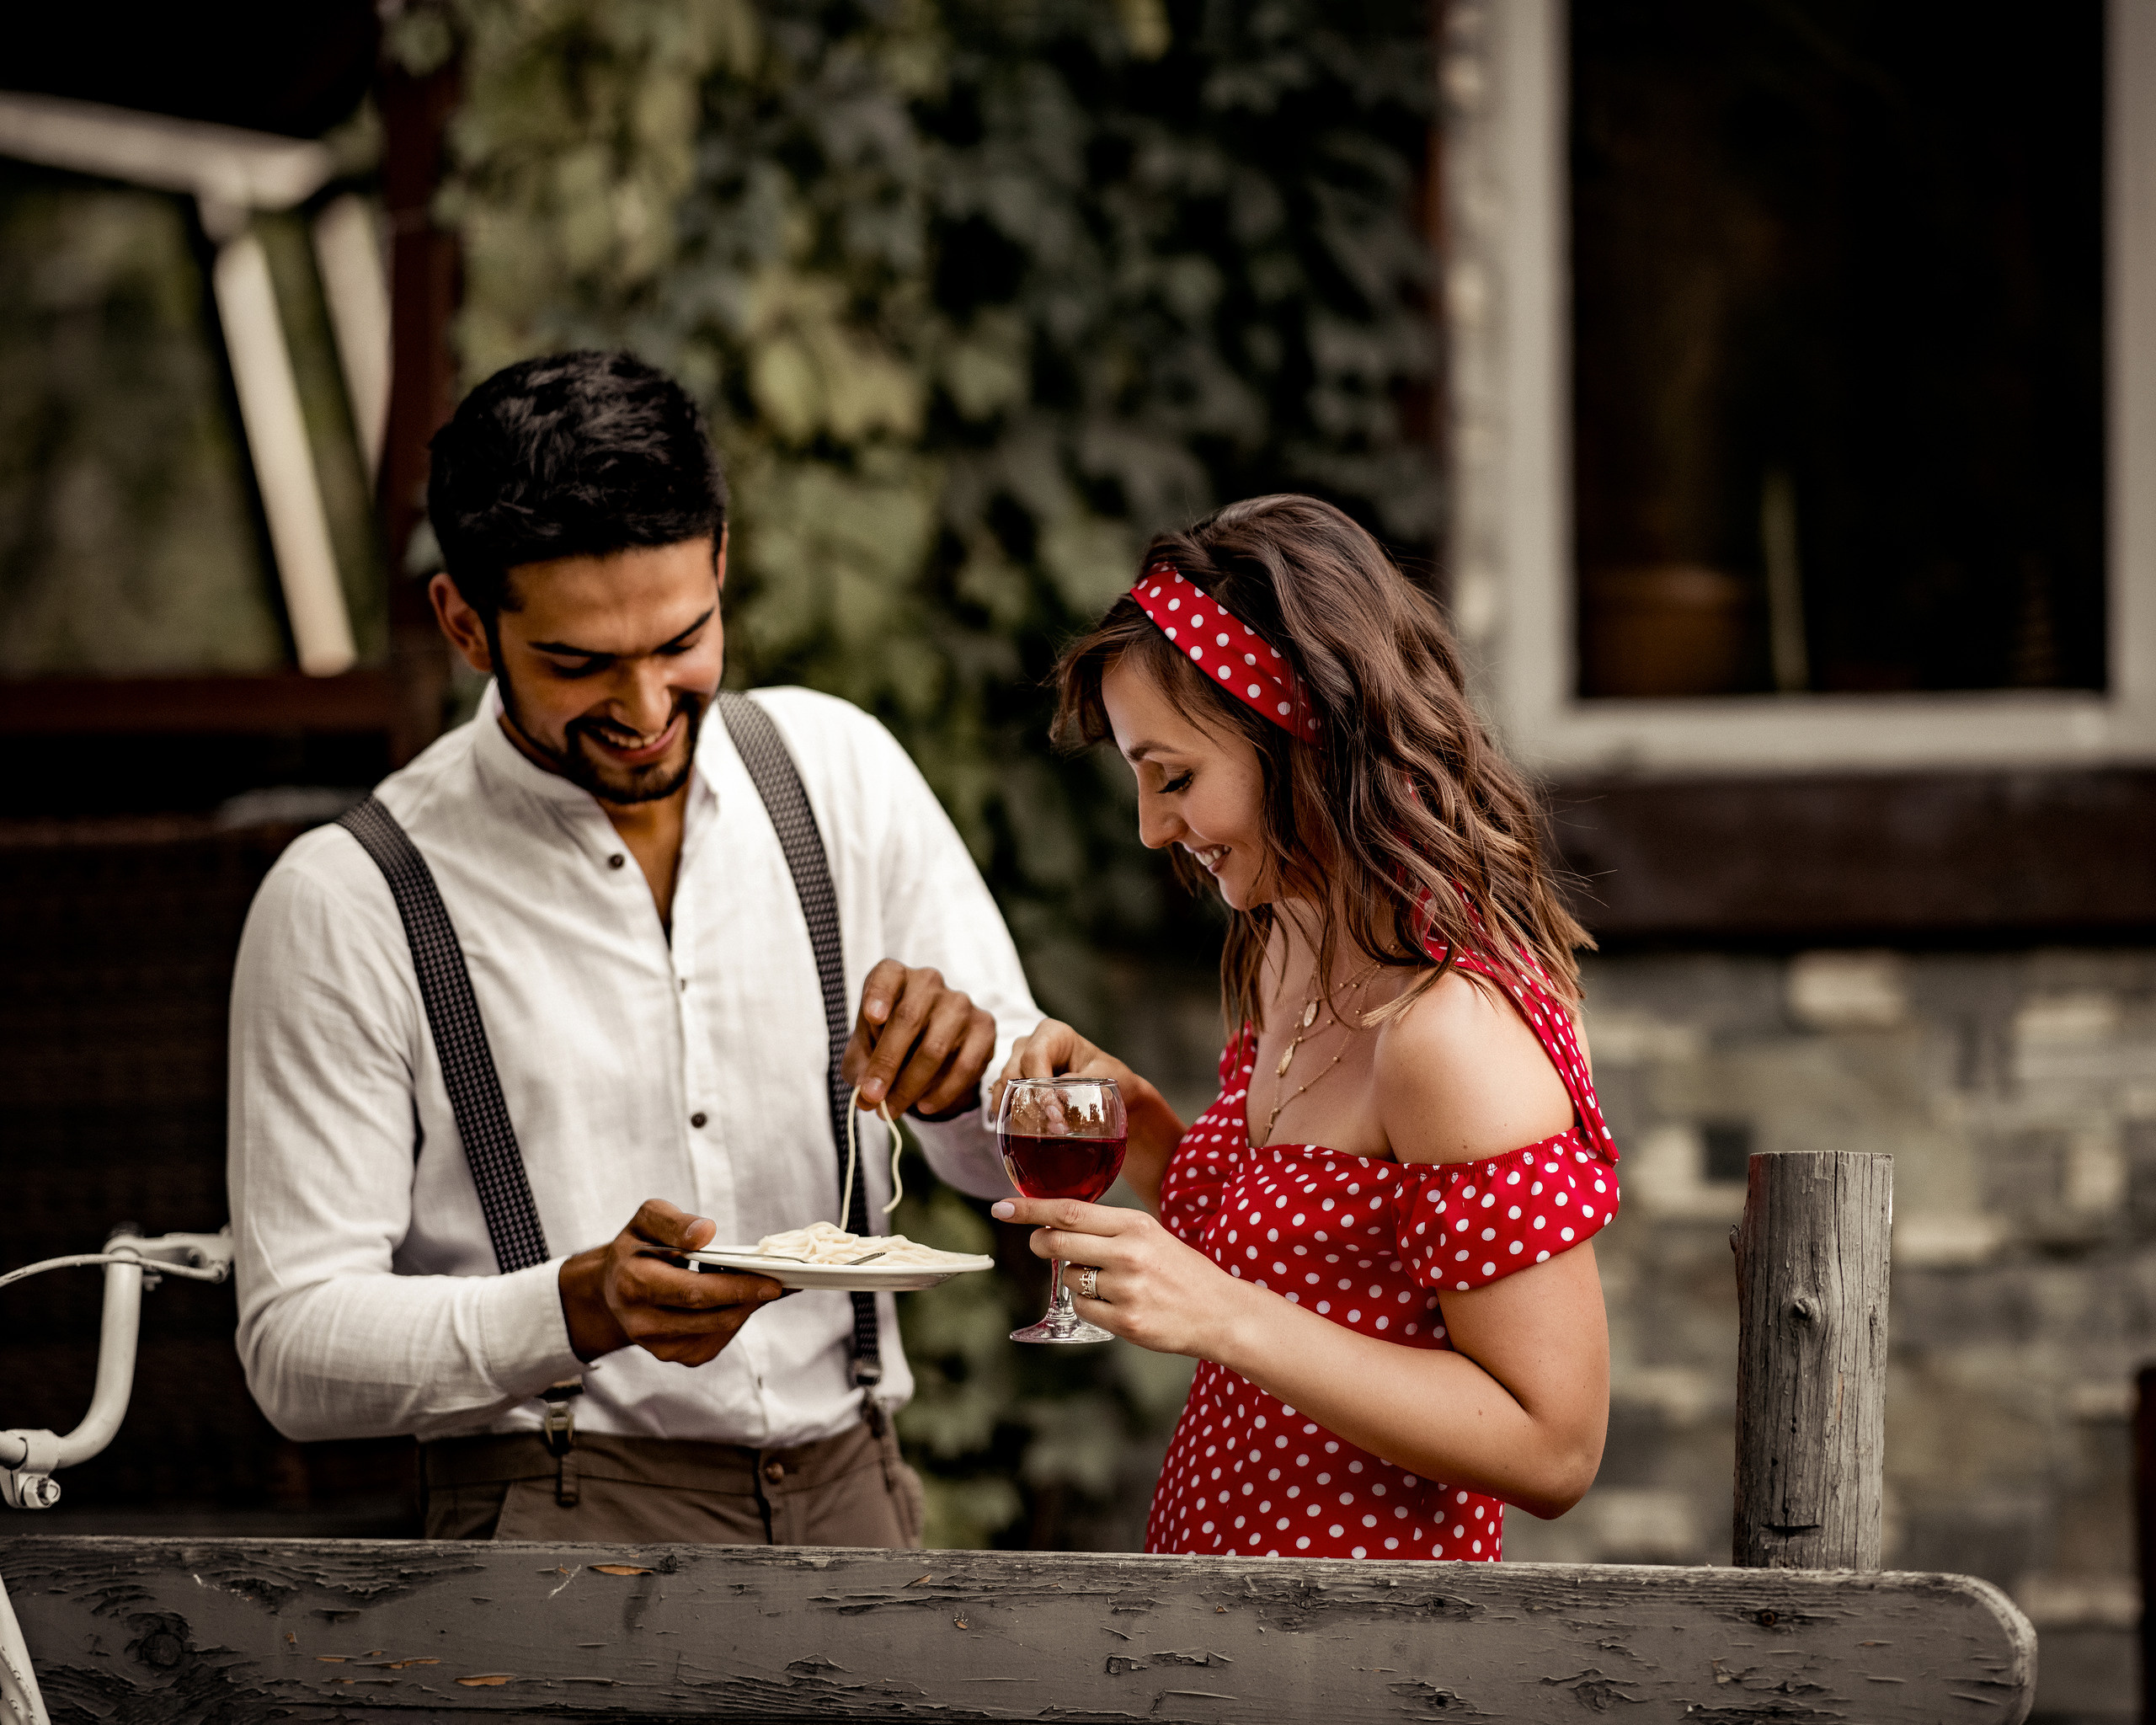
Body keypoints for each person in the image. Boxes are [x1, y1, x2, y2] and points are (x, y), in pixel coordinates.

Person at [227, 350, 1038, 1546]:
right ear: (465, 622)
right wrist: (571, 1311)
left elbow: (1005, 1171)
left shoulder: (842, 774)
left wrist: (982, 1083)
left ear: (720, 563)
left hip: (857, 1495)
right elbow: (294, 1349)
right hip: (552, 1522)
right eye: (579, 664)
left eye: (680, 640)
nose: (649, 707)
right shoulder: (346, 901)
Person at [991, 494, 1616, 1561]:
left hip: (1369, 1655)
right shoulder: (1294, 942)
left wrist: (1222, 1315)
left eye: (1174, 778)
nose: (1152, 830)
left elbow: (1552, 1445)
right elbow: (1301, 1262)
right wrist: (1135, 1119)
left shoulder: (1447, 1034)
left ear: (1303, 729)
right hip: (1225, 1637)